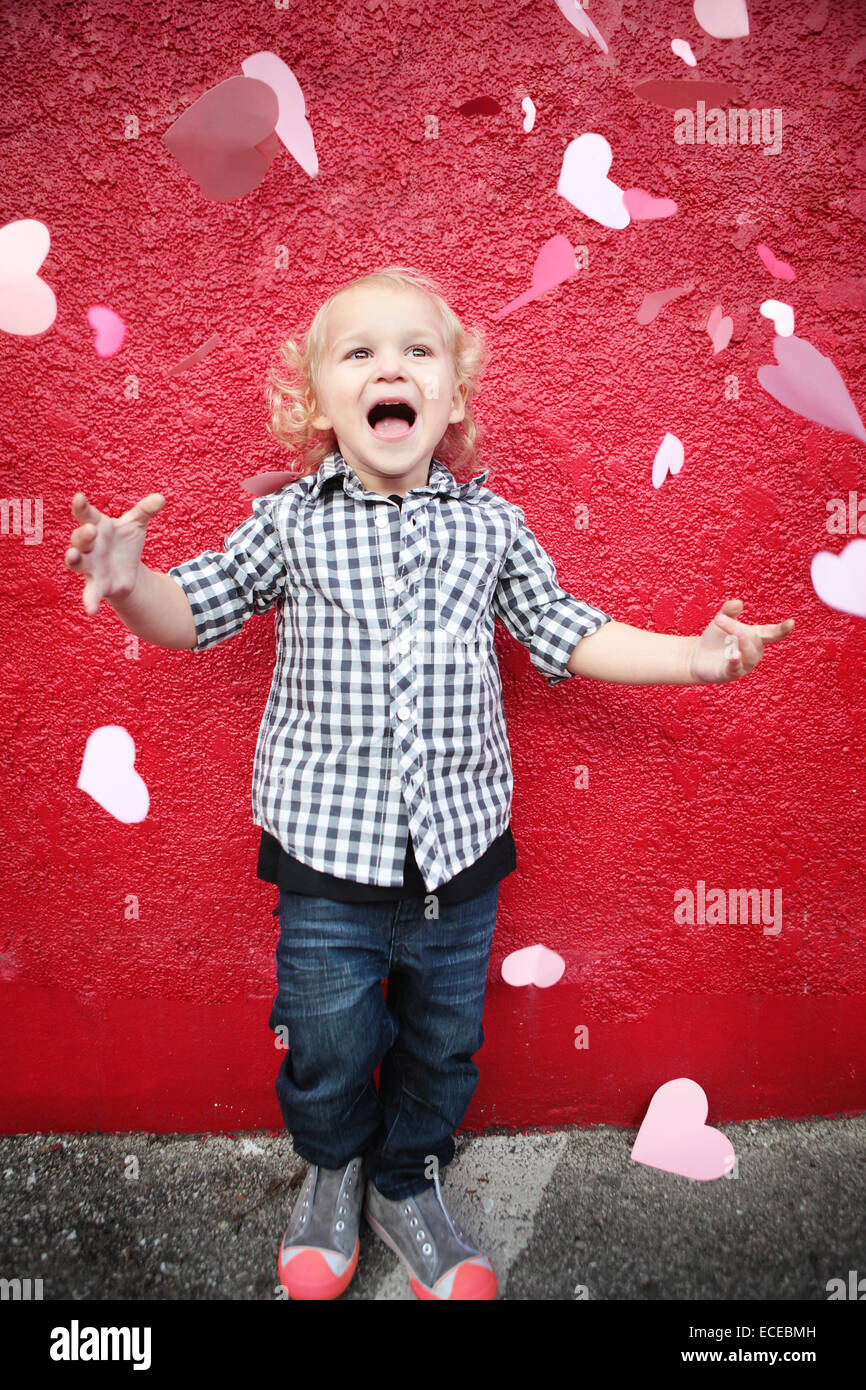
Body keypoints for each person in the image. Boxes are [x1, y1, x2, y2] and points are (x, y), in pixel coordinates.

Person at [64, 265, 795, 1301]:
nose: (389, 366)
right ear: (317, 401)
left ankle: (407, 1177)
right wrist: (131, 582)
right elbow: (197, 610)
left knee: (445, 1044)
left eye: (417, 351)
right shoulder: (291, 526)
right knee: (325, 1041)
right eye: (358, 352)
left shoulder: (488, 528)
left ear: (450, 396)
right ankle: (331, 1167)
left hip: (458, 859)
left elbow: (567, 627)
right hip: (324, 861)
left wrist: (693, 657)